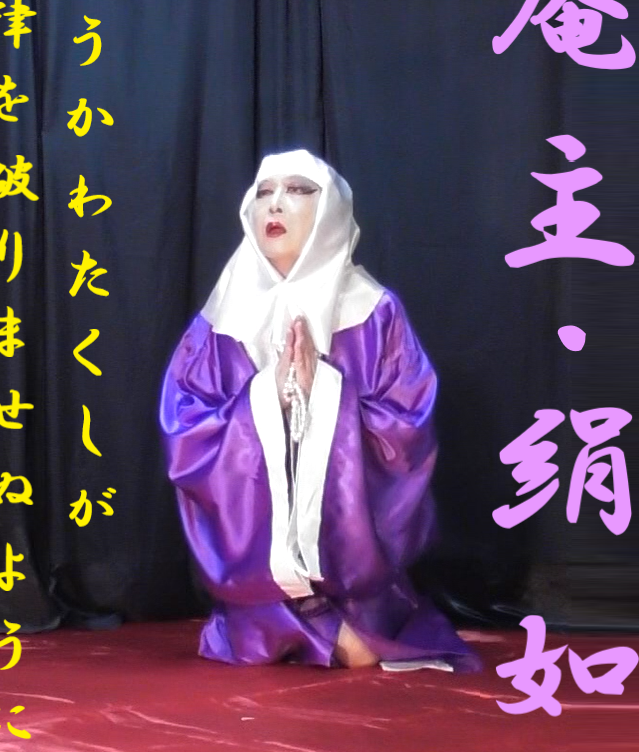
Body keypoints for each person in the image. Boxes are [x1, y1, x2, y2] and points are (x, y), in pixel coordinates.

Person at [159, 149, 480, 672]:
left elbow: (407, 427)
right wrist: (268, 399)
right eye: (264, 192)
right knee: (286, 630)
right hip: (257, 578)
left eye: (297, 190)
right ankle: (293, 611)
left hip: (355, 577)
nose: (275, 204)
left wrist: (327, 396)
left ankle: (328, 613)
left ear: (330, 209)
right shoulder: (220, 322)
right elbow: (187, 431)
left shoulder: (374, 312)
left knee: (362, 639)